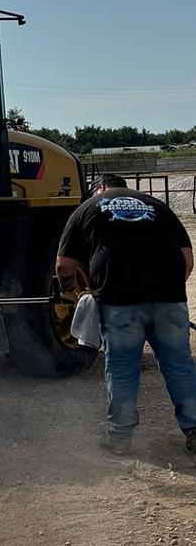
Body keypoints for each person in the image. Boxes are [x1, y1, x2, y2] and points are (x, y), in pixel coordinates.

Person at [56, 173, 196, 456]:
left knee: (122, 367)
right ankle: (195, 431)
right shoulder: (157, 205)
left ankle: (119, 437)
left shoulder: (87, 208)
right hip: (168, 298)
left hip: (119, 302)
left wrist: (72, 293)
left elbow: (65, 266)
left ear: (101, 188)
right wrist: (168, 292)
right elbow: (187, 258)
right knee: (179, 365)